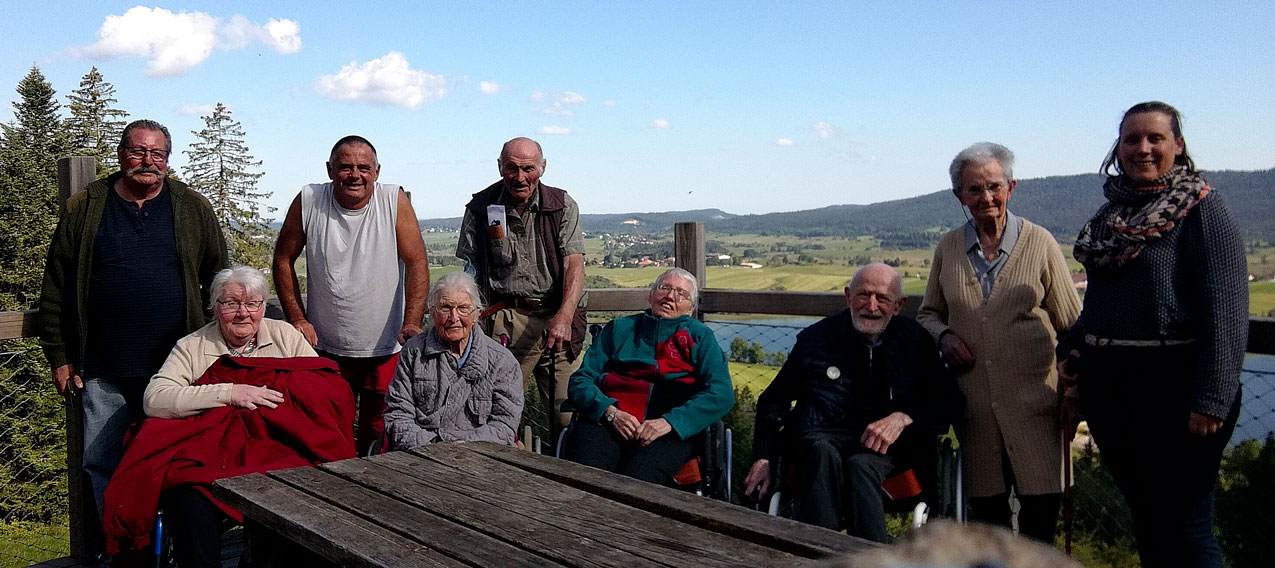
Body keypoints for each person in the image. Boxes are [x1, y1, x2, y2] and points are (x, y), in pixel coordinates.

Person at [1058, 102, 1247, 567]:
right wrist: (1074, 345)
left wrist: (1213, 398)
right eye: (1131, 139)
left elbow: (1228, 311)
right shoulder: (1111, 216)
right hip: (1113, 390)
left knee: (1187, 524)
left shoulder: (1203, 208)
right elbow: (1104, 309)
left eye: (1155, 138)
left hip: (1177, 388)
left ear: (1177, 146)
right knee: (1147, 516)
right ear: (1118, 148)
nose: (1142, 148)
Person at [37, 119, 228, 517]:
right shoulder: (87, 207)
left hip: (177, 365)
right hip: (103, 366)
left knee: (174, 458)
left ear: (168, 161)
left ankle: (173, 546)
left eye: (157, 153)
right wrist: (59, 355)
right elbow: (56, 285)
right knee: (102, 461)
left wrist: (218, 345)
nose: (148, 161)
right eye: (139, 151)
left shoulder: (191, 207)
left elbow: (217, 277)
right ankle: (123, 549)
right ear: (122, 154)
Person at [916, 142, 1081, 542]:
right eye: (973, 189)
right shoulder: (948, 248)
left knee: (1038, 531)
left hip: (1039, 413)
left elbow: (1073, 326)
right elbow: (927, 314)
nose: (985, 197)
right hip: (975, 416)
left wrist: (1075, 392)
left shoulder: (1040, 243)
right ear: (959, 197)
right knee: (989, 530)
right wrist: (945, 336)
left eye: (994, 186)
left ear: (1011, 187)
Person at [744, 264, 962, 543]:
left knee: (860, 466)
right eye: (863, 295)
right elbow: (772, 402)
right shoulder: (815, 340)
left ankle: (866, 557)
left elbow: (951, 402)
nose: (871, 306)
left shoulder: (915, 342)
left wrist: (904, 417)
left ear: (898, 305)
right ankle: (822, 551)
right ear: (848, 297)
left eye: (882, 298)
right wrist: (763, 458)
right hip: (821, 444)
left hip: (892, 453)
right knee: (820, 452)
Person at [130, 266, 321, 566]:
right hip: (209, 460)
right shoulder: (193, 346)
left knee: (293, 498)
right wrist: (230, 393)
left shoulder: (285, 336)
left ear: (262, 306)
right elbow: (155, 398)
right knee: (186, 503)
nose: (243, 313)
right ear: (215, 308)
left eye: (252, 304)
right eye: (231, 303)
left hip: (274, 453)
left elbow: (321, 389)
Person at [273, 135, 430, 455]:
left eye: (363, 167)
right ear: (330, 170)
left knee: (382, 437)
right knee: (330, 435)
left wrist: (411, 321)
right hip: (326, 348)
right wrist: (297, 319)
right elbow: (282, 258)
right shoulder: (309, 200)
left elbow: (417, 262)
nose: (354, 174)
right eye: (345, 167)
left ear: (377, 171)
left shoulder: (393, 200)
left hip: (387, 348)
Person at [457, 137, 586, 450]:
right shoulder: (481, 207)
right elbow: (470, 269)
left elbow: (574, 263)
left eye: (528, 168)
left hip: (560, 319)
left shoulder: (561, 205)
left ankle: (568, 484)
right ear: (500, 167)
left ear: (542, 167)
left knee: (568, 415)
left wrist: (565, 316)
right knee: (493, 409)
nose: (520, 176)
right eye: (512, 168)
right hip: (506, 320)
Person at [565, 268, 734, 484]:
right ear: (651, 295)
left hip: (667, 429)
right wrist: (610, 413)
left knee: (639, 482)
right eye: (664, 288)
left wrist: (670, 422)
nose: (670, 296)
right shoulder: (619, 329)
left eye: (681, 294)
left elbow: (721, 394)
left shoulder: (699, 337)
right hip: (609, 421)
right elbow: (581, 381)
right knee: (586, 476)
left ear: (690, 309)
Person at [383, 272, 524, 450]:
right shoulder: (413, 352)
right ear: (432, 312)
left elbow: (504, 424)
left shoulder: (502, 362)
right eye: (445, 308)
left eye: (463, 308)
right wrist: (430, 446)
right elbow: (398, 413)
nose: (454, 317)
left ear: (476, 314)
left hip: (481, 458)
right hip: (422, 454)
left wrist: (463, 448)